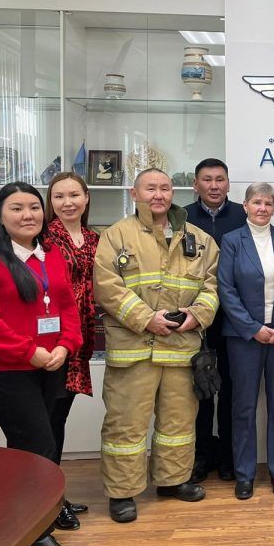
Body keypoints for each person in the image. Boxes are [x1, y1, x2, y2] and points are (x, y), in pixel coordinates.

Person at [95, 169, 219, 523]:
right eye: (150, 188)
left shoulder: (200, 239)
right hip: (134, 349)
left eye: (165, 188)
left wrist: (198, 315)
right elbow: (106, 287)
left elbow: (212, 286)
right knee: (125, 426)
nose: (158, 195)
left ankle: (173, 480)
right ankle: (122, 492)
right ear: (134, 194)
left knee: (179, 423)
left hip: (181, 349)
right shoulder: (116, 236)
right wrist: (145, 318)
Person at [0, 182, 82, 546]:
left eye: (33, 207)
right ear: (0, 215)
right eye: (16, 208)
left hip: (52, 364)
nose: (27, 215)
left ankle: (24, 522)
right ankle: (38, 536)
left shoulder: (51, 254)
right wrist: (29, 352)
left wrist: (65, 345)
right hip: (6, 370)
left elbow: (67, 306)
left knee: (31, 448)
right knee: (37, 445)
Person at [218, 182, 274, 499]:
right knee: (243, 406)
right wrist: (253, 328)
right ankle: (245, 474)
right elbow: (226, 289)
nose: (262, 208)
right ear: (245, 206)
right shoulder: (232, 241)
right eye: (257, 202)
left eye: (268, 203)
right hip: (244, 337)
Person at [183, 158, 247, 483]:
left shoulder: (242, 216)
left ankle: (229, 456)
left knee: (232, 389)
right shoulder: (182, 218)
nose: (214, 185)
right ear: (196, 185)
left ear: (228, 184)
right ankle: (201, 456)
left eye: (220, 179)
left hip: (234, 318)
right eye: (207, 180)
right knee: (201, 388)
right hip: (195, 318)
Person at [44, 172, 99, 531]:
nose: (67, 203)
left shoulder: (95, 238)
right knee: (46, 424)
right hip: (52, 342)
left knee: (58, 420)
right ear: (50, 201)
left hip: (81, 341)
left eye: (74, 195)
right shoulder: (44, 238)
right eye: (59, 196)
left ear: (86, 197)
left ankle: (53, 496)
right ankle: (46, 505)